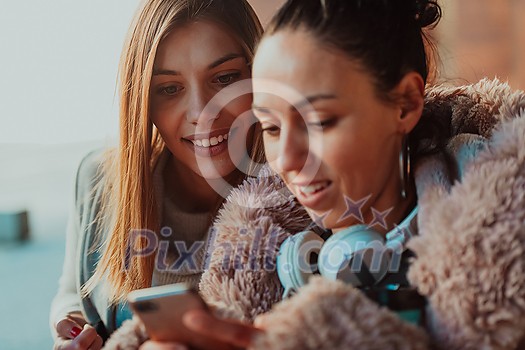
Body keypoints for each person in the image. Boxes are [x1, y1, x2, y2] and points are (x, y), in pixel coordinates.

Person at [108, 0, 525, 349]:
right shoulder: (264, 254)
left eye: (319, 121)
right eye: (271, 127)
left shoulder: (496, 220)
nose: (287, 159)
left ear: (405, 103)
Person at [49, 0, 264, 349]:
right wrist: (72, 325)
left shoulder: (299, 195)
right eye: (169, 89)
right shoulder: (97, 180)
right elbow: (72, 291)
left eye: (225, 78)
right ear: (144, 103)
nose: (202, 113)